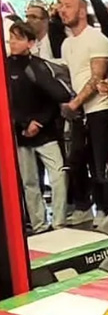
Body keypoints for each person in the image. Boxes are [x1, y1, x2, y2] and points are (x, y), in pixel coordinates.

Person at [58, 0, 108, 223]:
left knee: (100, 163)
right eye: (60, 5)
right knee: (78, 161)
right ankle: (83, 206)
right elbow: (68, 76)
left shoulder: (97, 39)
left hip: (100, 110)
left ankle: (106, 209)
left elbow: (96, 78)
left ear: (82, 11)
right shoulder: (66, 43)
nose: (62, 10)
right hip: (79, 112)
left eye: (67, 6)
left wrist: (74, 103)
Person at [7, 21, 70, 234]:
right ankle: (39, 224)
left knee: (58, 175)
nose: (13, 42)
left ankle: (59, 221)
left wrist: (39, 122)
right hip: (20, 133)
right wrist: (24, 124)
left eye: (18, 38)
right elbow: (7, 104)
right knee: (29, 181)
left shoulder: (40, 67)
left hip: (45, 132)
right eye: (11, 38)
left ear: (30, 42)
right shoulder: (5, 67)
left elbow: (57, 96)